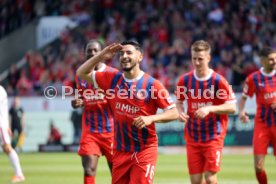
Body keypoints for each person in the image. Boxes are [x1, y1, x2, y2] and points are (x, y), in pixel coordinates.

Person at [77, 40, 179, 184]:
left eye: (129, 53)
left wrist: (151, 118)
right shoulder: (111, 79)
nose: (124, 56)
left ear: (140, 57)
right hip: (120, 151)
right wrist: (101, 56)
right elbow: (81, 72)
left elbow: (174, 113)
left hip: (144, 150)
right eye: (121, 53)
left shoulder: (152, 84)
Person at [175, 40, 236, 184]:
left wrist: (210, 108)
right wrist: (180, 112)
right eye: (194, 58)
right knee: (196, 181)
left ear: (208, 58)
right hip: (192, 135)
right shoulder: (184, 80)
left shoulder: (218, 81)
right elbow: (178, 101)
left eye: (200, 59)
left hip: (213, 135)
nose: (196, 62)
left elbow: (232, 107)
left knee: (210, 178)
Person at [71, 40, 115, 184]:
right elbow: (81, 97)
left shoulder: (112, 74)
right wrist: (77, 102)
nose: (92, 53)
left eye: (96, 50)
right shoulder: (80, 75)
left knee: (116, 170)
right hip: (90, 131)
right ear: (85, 53)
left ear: (103, 53)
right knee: (89, 169)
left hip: (112, 131)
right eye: (89, 50)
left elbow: (120, 100)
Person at [238, 47, 276, 184]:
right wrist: (241, 112)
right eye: (271, 59)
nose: (274, 61)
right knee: (258, 167)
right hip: (263, 124)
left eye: (275, 58)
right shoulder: (253, 78)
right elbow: (242, 98)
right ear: (262, 60)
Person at [0, 85, 25, 183]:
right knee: (6, 148)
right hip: (3, 124)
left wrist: (6, 126)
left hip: (0, 125)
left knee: (7, 147)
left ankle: (19, 174)